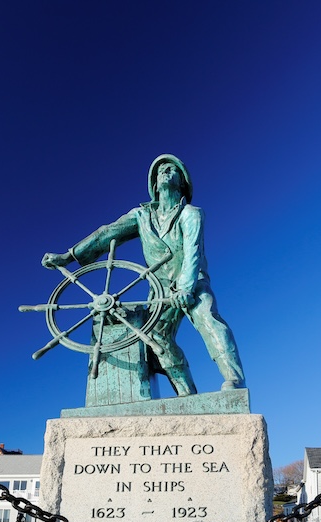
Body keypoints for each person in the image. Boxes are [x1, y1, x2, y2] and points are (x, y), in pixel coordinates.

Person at [42, 154, 245, 396]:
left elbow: (193, 251)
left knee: (207, 318)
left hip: (192, 281)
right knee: (155, 338)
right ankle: (186, 394)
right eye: (160, 171)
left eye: (172, 169)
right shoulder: (141, 216)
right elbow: (106, 233)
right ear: (154, 185)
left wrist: (186, 288)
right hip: (160, 289)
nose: (165, 172)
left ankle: (234, 380)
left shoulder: (191, 214)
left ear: (182, 182)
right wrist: (68, 257)